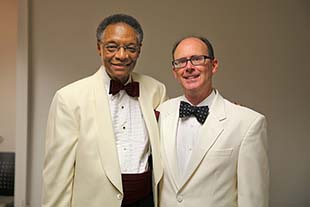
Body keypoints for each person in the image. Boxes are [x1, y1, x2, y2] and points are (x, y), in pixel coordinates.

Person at [42, 14, 167, 207]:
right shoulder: (69, 98)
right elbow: (58, 174)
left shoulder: (156, 90)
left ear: (139, 50)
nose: (121, 55)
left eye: (130, 48)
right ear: (99, 48)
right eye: (112, 47)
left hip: (147, 201)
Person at [158, 36, 269, 207]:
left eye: (197, 59)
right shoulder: (160, 114)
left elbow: (254, 200)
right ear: (174, 72)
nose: (189, 67)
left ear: (214, 65)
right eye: (181, 62)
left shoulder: (247, 123)